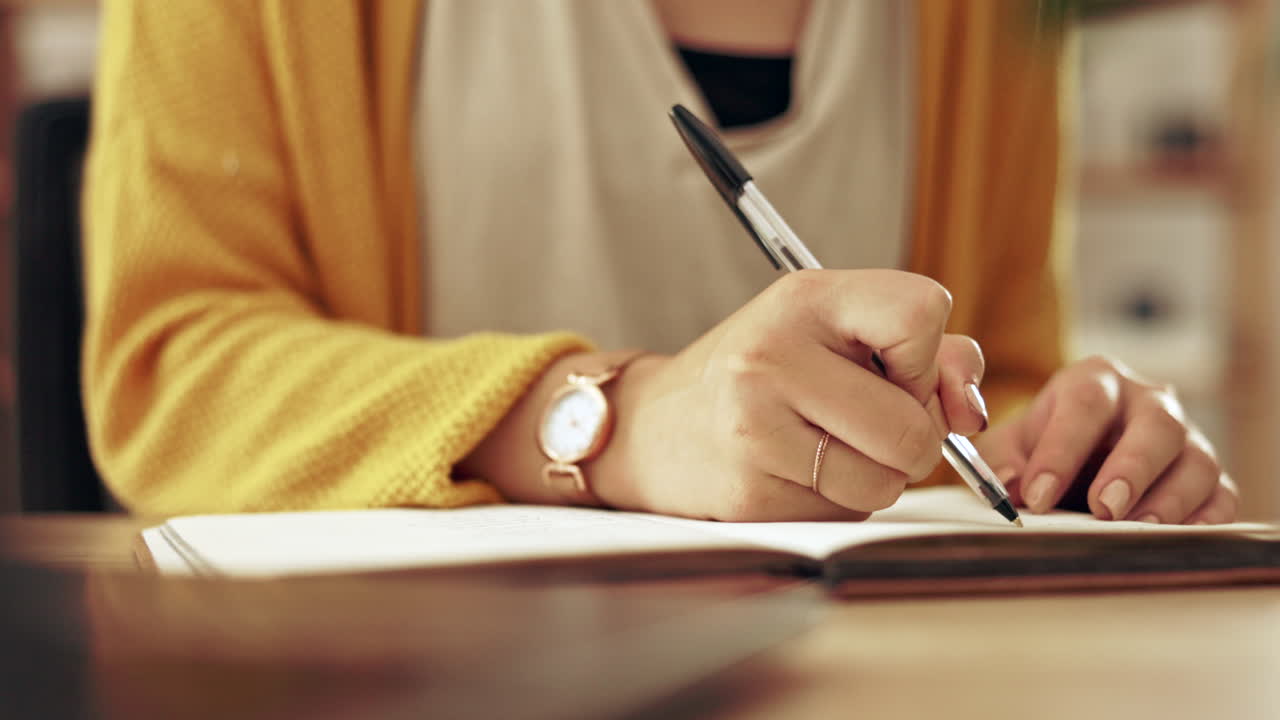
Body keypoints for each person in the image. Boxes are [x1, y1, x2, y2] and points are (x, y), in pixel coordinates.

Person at [82, 0, 1237, 525]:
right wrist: (613, 423)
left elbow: (988, 371)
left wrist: (1057, 441)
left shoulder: (990, 20)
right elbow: (170, 371)